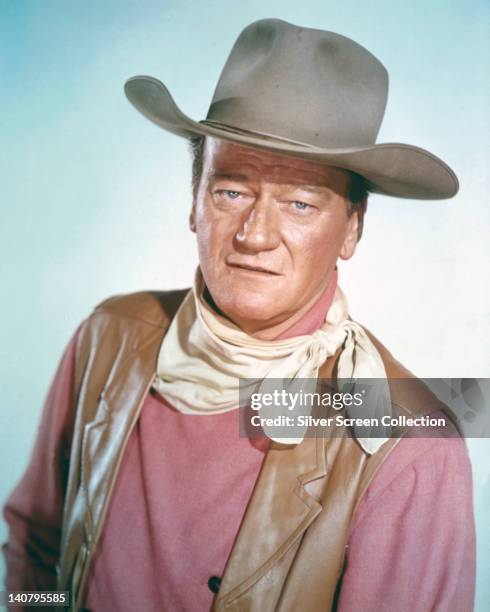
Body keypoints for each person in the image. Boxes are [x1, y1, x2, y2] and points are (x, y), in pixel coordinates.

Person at [3, 18, 475, 612]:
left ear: (352, 228)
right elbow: (32, 545)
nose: (255, 234)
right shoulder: (107, 338)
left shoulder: (410, 448)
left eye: (300, 202)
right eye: (231, 191)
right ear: (194, 202)